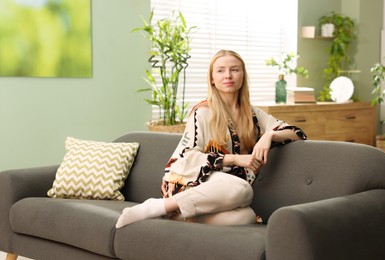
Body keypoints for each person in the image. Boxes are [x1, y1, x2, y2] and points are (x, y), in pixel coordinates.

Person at [116, 49, 306, 229]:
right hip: (189, 182)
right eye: (221, 70)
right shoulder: (203, 112)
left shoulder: (253, 114)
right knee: (243, 190)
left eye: (234, 70)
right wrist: (234, 159)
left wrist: (269, 135)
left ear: (243, 76)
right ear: (212, 79)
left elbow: (297, 133)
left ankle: (175, 217)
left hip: (223, 193)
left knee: (246, 216)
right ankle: (157, 207)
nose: (228, 75)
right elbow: (187, 156)